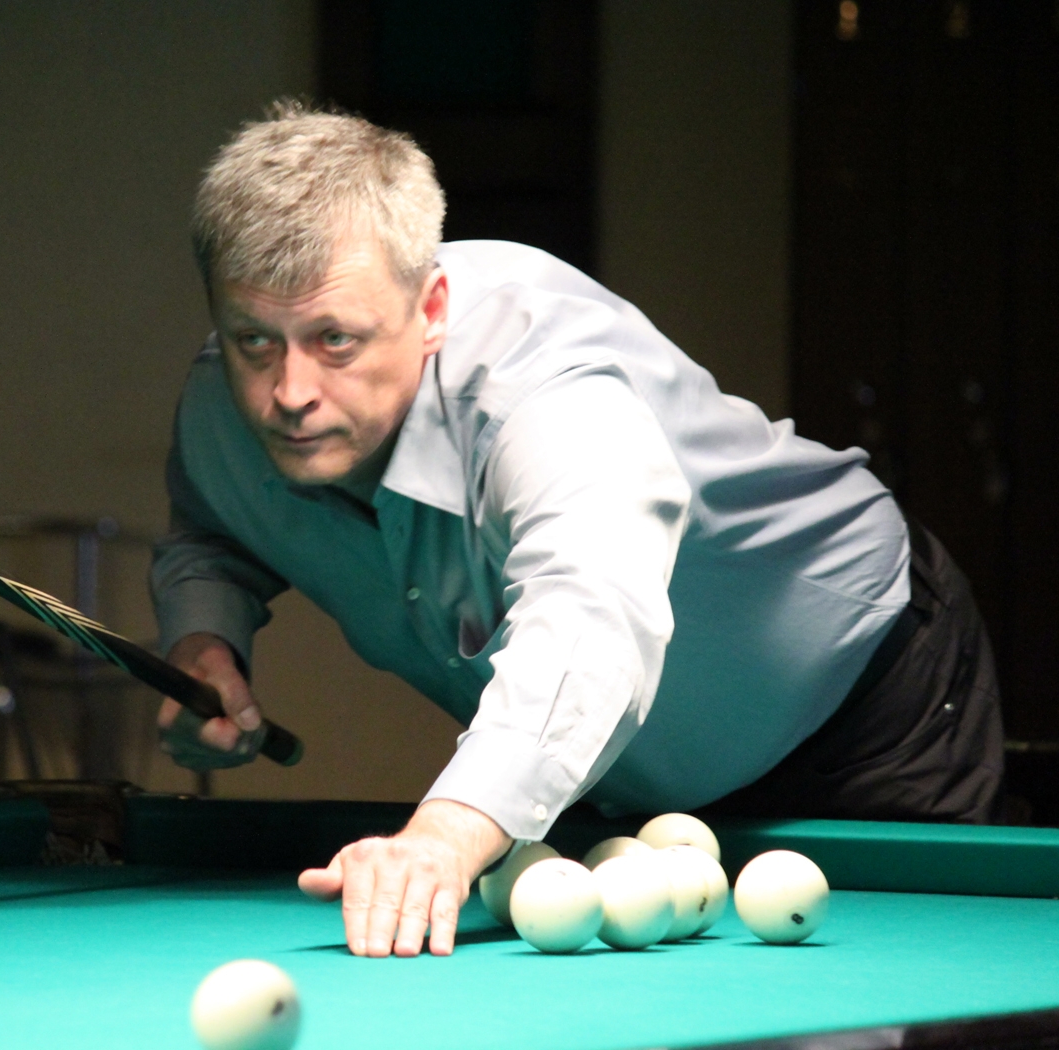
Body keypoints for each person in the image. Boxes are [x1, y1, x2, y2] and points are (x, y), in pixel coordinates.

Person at [150, 102, 1003, 960]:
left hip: (861, 707)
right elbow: (214, 534)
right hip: (624, 780)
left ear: (432, 307)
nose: (289, 393)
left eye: (335, 340)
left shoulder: (547, 391)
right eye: (254, 339)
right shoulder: (223, 408)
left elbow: (589, 620)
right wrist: (205, 643)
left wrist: (445, 834)